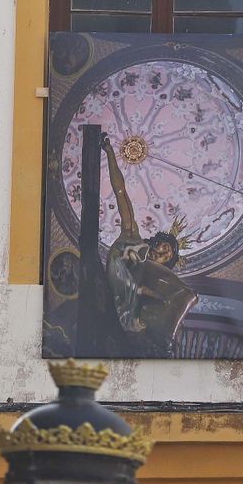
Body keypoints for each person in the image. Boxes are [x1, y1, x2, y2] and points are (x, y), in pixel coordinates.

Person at [99, 133, 198, 355]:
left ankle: (159, 342)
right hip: (121, 278)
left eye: (166, 252)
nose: (160, 250)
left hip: (132, 316)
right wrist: (110, 153)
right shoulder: (134, 238)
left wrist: (152, 295)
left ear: (169, 262)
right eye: (161, 245)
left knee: (188, 296)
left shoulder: (162, 281)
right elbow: (121, 193)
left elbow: (167, 297)